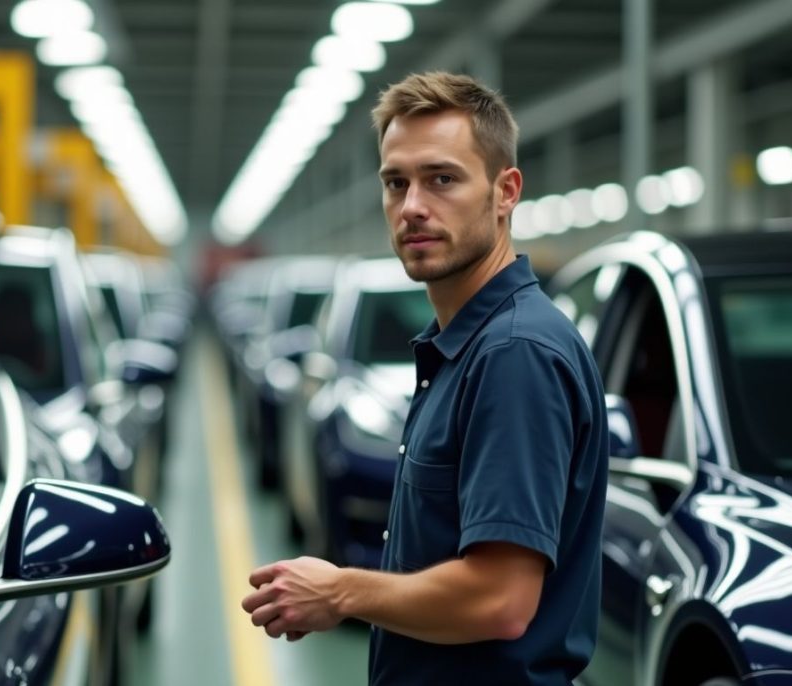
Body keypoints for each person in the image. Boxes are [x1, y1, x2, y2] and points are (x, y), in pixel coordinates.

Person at [240, 71, 609, 685]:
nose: (412, 206)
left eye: (442, 179)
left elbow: (501, 598)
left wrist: (342, 592)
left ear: (505, 191)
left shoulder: (514, 355)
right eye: (395, 183)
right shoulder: (467, 348)